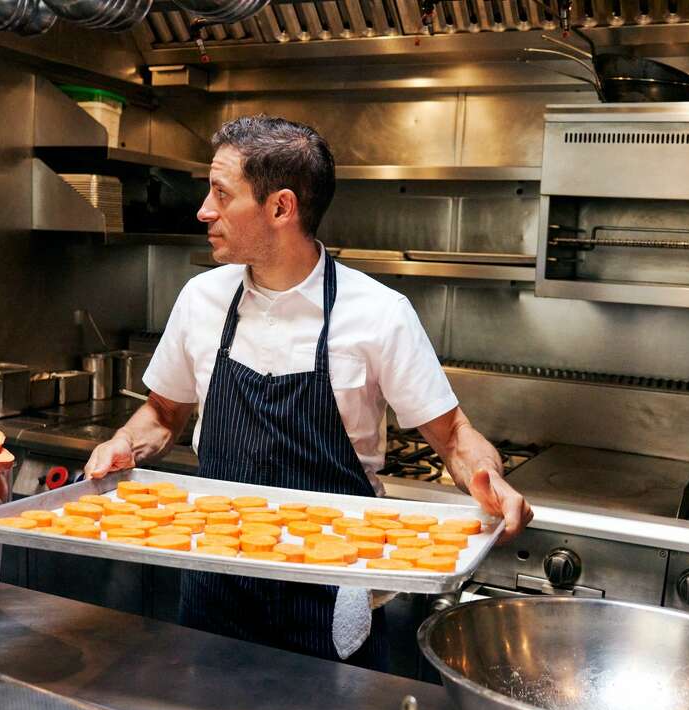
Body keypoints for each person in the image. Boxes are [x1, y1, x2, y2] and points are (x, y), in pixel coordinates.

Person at [85, 115, 532, 670]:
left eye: (221, 194)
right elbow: (162, 412)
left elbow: (454, 436)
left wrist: (490, 481)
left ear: (281, 208)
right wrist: (125, 444)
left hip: (329, 591)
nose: (203, 210)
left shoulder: (378, 313)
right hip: (215, 581)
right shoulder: (201, 298)